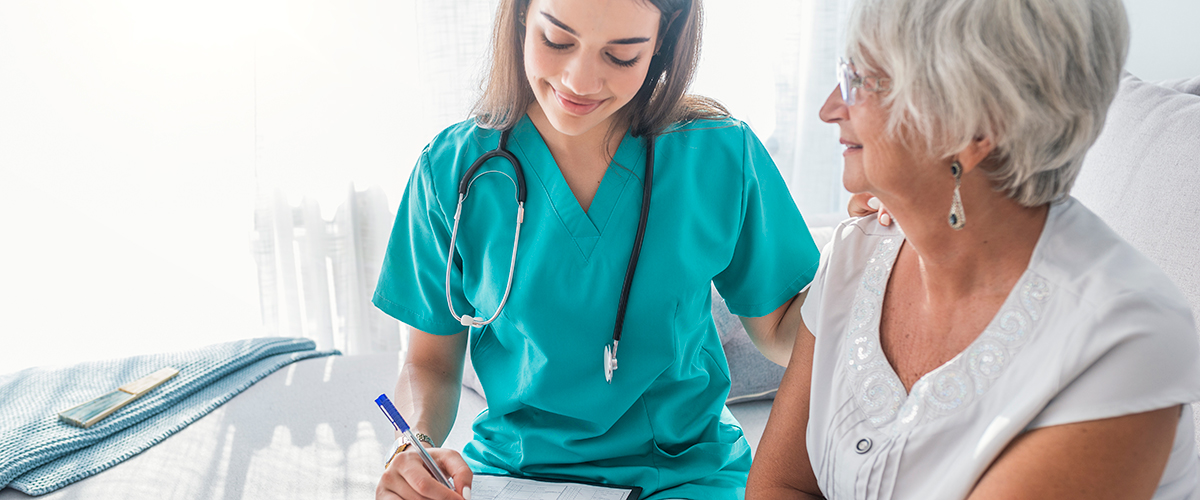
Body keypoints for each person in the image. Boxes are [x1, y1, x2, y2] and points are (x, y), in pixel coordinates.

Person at [746, 0, 1200, 498]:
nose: (830, 108)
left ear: (976, 125)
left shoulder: (1124, 342)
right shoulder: (858, 252)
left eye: (862, 80)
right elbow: (782, 485)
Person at [372, 0, 820, 498]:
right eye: (557, 41)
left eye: (622, 56)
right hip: (514, 476)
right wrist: (411, 448)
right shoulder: (449, 172)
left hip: (683, 475)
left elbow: (787, 331)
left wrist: (891, 250)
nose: (579, 81)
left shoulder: (717, 156)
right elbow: (429, 363)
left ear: (664, 42)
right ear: (522, 17)